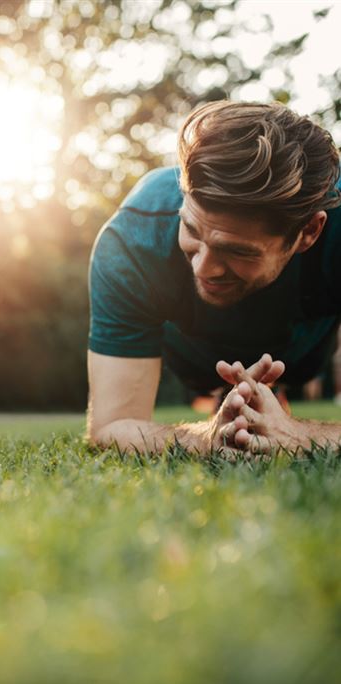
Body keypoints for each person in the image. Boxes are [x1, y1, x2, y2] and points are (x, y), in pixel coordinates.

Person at [87, 100, 341, 454]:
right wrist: (205, 438)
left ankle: (271, 395)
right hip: (194, 355)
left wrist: (294, 433)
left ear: (309, 232)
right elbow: (111, 426)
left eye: (238, 250)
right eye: (191, 229)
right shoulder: (132, 240)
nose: (203, 268)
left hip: (303, 351)